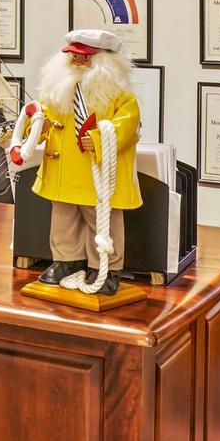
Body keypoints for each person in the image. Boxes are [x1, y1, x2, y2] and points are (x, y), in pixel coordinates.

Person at [29, 28, 141, 288]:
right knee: (63, 218)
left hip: (97, 174)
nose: (77, 61)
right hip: (63, 171)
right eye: (73, 56)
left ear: (105, 61)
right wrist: (37, 127)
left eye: (85, 57)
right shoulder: (58, 91)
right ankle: (66, 260)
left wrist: (101, 140)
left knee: (102, 221)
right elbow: (41, 116)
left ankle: (106, 268)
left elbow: (127, 127)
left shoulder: (121, 98)